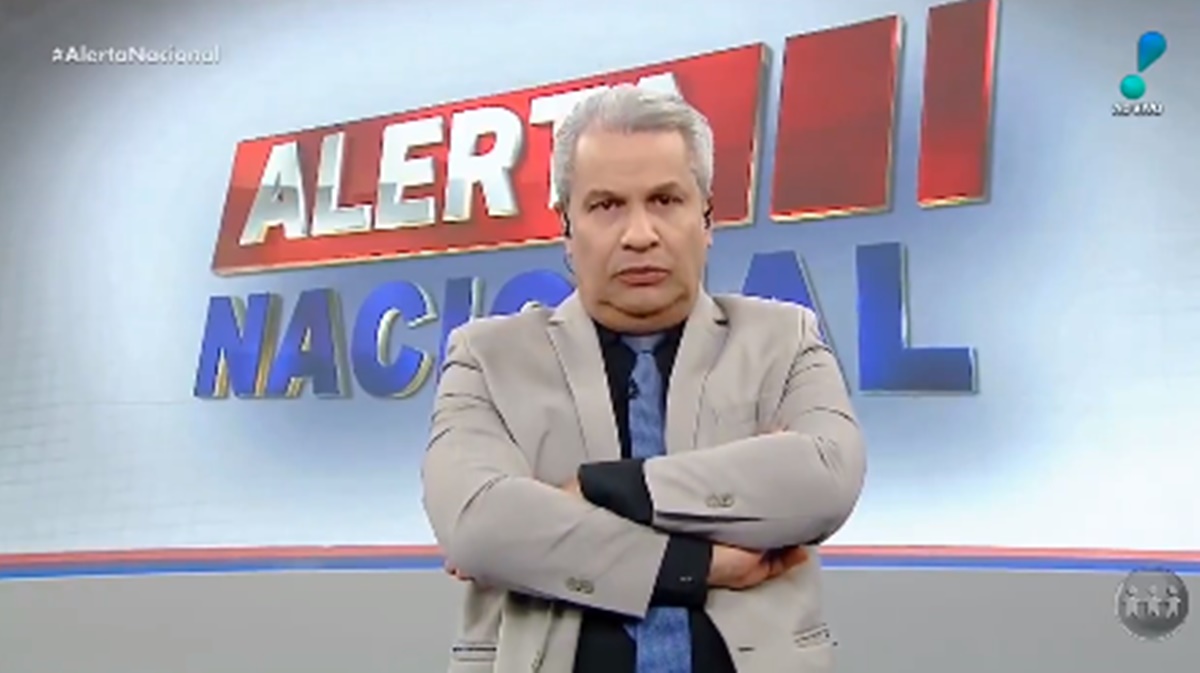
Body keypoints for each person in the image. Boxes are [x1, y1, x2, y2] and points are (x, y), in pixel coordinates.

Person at [422, 84, 866, 673]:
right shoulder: (486, 358)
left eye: (665, 200)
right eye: (607, 205)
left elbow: (827, 480)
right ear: (567, 230)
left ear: (706, 219)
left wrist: (608, 487)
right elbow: (479, 529)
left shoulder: (783, 338)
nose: (639, 234)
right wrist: (696, 565)